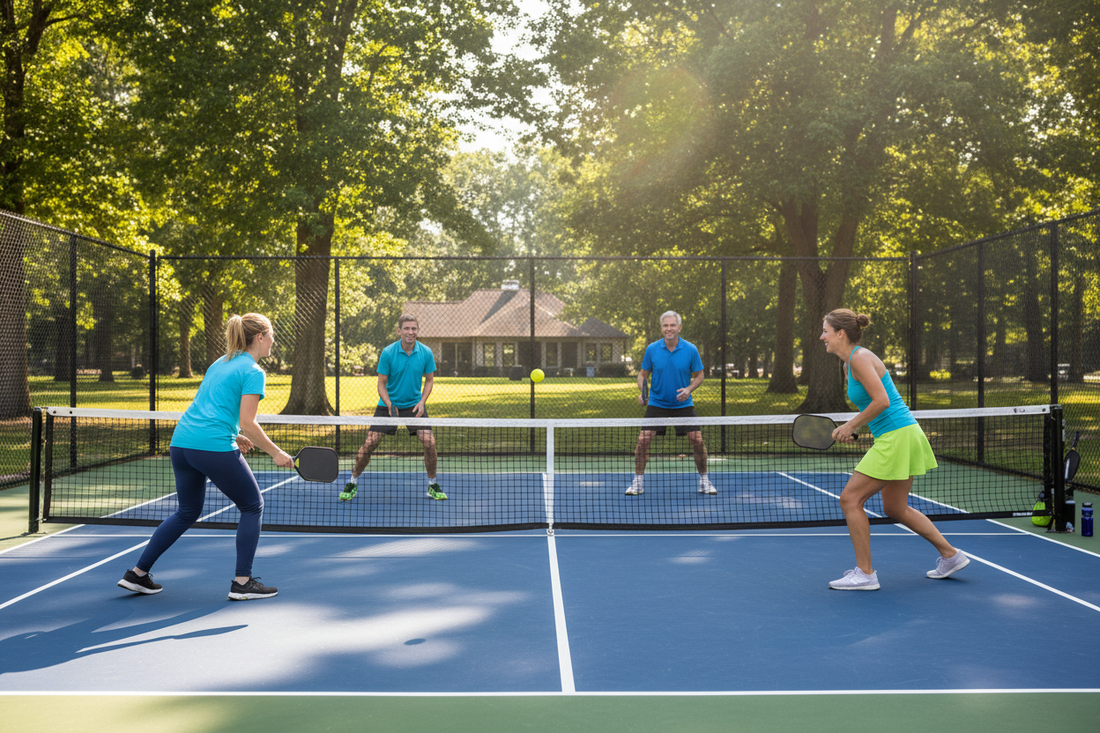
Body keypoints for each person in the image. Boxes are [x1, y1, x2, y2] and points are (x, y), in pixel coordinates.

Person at [117, 313, 293, 600]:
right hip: (211, 446)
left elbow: (209, 406)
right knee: (252, 506)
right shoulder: (253, 371)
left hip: (182, 443)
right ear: (260, 337)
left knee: (187, 511)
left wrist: (234, 433)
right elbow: (249, 421)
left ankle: (137, 574)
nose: (273, 340)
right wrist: (276, 452)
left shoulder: (220, 363)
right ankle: (242, 582)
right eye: (271, 335)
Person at [821, 308, 969, 590]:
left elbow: (882, 400)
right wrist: (858, 428)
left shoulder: (860, 357)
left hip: (897, 436)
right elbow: (872, 406)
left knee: (850, 500)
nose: (822, 336)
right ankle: (951, 556)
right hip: (898, 434)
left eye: (825, 331)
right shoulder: (848, 364)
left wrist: (850, 425)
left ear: (840, 333)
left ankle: (865, 574)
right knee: (895, 507)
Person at [340, 314, 446, 501]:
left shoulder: (426, 352)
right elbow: (381, 384)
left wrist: (422, 402)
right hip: (388, 405)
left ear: (417, 331)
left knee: (430, 442)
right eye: (406, 328)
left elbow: (429, 381)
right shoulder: (388, 353)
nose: (410, 332)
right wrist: (389, 404)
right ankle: (352, 481)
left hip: (414, 406)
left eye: (414, 328)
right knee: (370, 443)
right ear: (399, 331)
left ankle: (432, 484)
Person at [628, 310, 715, 496]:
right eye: (666, 325)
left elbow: (700, 375)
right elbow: (643, 374)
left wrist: (688, 390)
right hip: (657, 404)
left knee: (697, 441)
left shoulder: (691, 349)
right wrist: (643, 392)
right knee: (642, 442)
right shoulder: (652, 349)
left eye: (672, 325)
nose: (669, 329)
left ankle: (705, 481)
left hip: (683, 404)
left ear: (679, 327)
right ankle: (638, 482)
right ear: (661, 328)